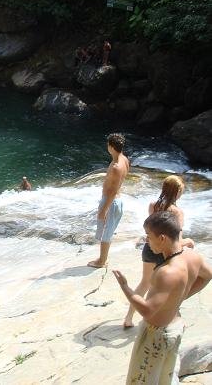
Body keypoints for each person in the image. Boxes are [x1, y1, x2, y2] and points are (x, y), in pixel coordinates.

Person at [113, 211, 212, 384]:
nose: (147, 242)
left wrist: (125, 287)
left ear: (163, 238)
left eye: (149, 237)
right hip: (175, 327)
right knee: (166, 376)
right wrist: (180, 298)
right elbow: (208, 275)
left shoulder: (167, 272)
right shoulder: (191, 256)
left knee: (143, 379)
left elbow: (146, 311)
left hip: (157, 335)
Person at [122, 175, 195, 328]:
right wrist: (190, 242)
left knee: (144, 283)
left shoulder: (153, 205)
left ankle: (129, 318)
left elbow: (152, 230)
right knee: (168, 289)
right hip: (166, 254)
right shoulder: (177, 213)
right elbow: (177, 242)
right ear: (178, 192)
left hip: (149, 248)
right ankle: (169, 317)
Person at [88, 133, 130, 268]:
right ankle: (102, 258)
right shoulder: (124, 159)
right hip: (115, 201)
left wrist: (103, 210)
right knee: (108, 230)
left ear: (111, 147)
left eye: (108, 144)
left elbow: (112, 190)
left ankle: (101, 261)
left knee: (106, 232)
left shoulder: (116, 166)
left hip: (111, 202)